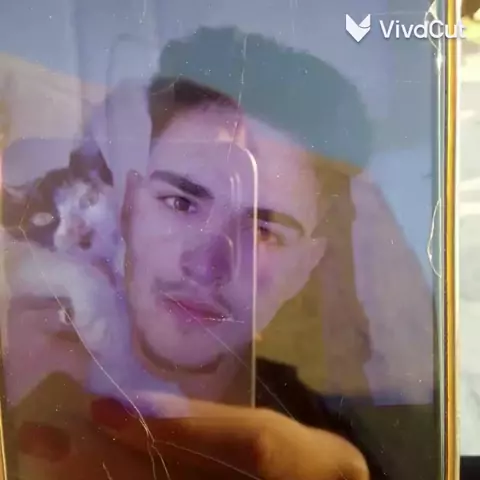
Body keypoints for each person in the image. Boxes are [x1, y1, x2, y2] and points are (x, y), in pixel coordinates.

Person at [7, 27, 436, 480]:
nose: (206, 265)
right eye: (180, 202)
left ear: (303, 268)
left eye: (264, 230)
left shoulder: (333, 440)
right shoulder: (22, 368)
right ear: (129, 208)